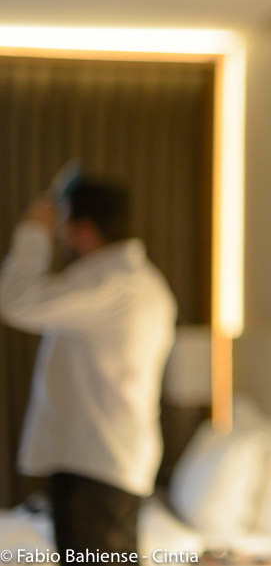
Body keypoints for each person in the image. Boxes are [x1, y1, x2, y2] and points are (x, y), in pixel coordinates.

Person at [0, 178, 176, 557]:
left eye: (64, 226)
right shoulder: (133, 281)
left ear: (85, 230)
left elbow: (16, 300)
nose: (60, 235)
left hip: (97, 466)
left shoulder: (110, 284)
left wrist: (33, 232)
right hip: (102, 461)